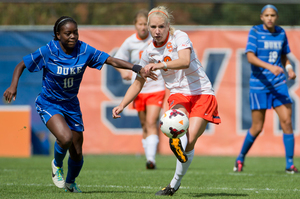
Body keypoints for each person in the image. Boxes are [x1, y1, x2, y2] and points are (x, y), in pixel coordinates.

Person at [3, 16, 156, 193]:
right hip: (49, 103)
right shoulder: (48, 51)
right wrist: (13, 86)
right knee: (65, 138)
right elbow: (22, 64)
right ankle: (57, 165)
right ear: (58, 35)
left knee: (77, 151)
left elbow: (111, 60)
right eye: (68, 33)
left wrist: (137, 68)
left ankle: (71, 182)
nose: (73, 36)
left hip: (71, 105)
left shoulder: (84, 50)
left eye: (75, 32)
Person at [112, 6, 221, 196]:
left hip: (202, 92)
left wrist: (160, 65)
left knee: (190, 140)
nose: (157, 31)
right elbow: (138, 83)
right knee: (176, 126)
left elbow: (185, 61)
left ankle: (174, 183)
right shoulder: (148, 52)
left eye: (161, 26)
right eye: (153, 27)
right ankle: (176, 148)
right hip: (179, 94)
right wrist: (122, 105)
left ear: (168, 26)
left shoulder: (179, 36)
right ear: (147, 27)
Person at [233, 4, 298, 174]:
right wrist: (270, 67)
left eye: (273, 15)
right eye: (267, 15)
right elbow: (250, 56)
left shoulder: (281, 33)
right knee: (257, 127)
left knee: (287, 122)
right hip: (259, 85)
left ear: (276, 17)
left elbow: (284, 57)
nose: (270, 18)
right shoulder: (255, 32)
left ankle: (289, 164)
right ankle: (240, 157)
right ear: (262, 17)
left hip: (278, 84)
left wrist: (289, 68)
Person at [114, 9, 166, 170]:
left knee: (151, 122)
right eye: (140, 24)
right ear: (135, 25)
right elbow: (117, 59)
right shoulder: (130, 42)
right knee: (144, 124)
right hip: (138, 88)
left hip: (156, 87)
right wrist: (123, 72)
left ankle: (151, 159)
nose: (143, 27)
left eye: (146, 24)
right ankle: (148, 156)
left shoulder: (156, 39)